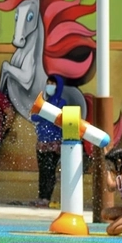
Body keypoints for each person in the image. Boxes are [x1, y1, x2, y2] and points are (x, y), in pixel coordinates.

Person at [34, 75, 79, 207]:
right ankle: (41, 196)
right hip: (41, 142)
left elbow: (56, 117)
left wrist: (43, 113)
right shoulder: (44, 101)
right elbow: (34, 116)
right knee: (42, 171)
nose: (49, 86)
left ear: (58, 86)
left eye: (53, 84)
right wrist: (44, 113)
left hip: (54, 144)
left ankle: (46, 197)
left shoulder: (61, 103)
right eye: (48, 83)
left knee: (49, 170)